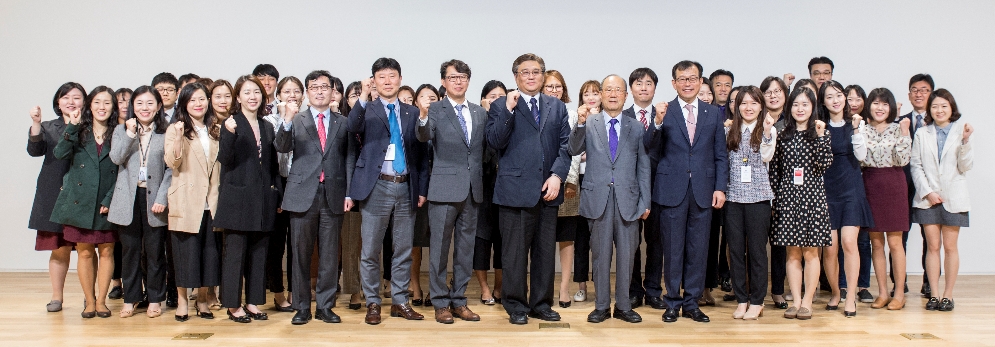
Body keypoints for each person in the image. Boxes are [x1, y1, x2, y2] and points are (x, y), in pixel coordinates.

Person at [486, 53, 571, 325]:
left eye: (536, 72)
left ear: (543, 76)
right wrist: (509, 110)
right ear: (516, 77)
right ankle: (516, 305)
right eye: (525, 72)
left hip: (548, 191)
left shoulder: (556, 107)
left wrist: (558, 175)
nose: (531, 76)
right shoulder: (501, 105)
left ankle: (541, 304)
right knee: (514, 254)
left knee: (545, 253)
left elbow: (565, 146)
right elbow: (495, 141)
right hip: (514, 191)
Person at [643, 60, 728, 323]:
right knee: (673, 249)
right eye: (682, 79)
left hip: (703, 190)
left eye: (693, 79)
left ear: (701, 82)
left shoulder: (712, 113)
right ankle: (672, 302)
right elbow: (648, 148)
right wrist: (656, 123)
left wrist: (720, 188)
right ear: (674, 83)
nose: (688, 83)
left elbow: (720, 155)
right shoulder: (663, 111)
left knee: (698, 249)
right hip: (670, 190)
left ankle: (692, 302)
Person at [348, 58, 429, 325]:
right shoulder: (366, 109)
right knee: (370, 249)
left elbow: (420, 153)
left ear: (400, 78)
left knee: (403, 249)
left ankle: (400, 301)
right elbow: (352, 128)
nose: (387, 81)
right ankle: (372, 302)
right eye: (381, 77)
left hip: (406, 185)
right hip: (377, 185)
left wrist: (421, 188)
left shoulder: (411, 112)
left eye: (392, 76)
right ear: (373, 81)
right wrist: (362, 96)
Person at [274, 70, 356, 325]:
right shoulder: (296, 119)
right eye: (314, 87)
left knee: (330, 254)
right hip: (302, 194)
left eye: (324, 87)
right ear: (307, 93)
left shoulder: (343, 122)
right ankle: (301, 307)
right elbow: (282, 146)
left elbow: (350, 158)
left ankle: (325, 305)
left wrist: (350, 193)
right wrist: (286, 121)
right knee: (300, 253)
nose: (319, 91)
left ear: (333, 92)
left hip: (333, 194)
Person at [569, 75, 650, 324]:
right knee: (600, 256)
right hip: (598, 199)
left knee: (627, 257)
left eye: (618, 90)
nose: (613, 94)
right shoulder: (589, 122)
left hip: (628, 200)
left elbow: (643, 166)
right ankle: (601, 306)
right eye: (608, 90)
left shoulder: (635, 126)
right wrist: (580, 124)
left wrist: (645, 201)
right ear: (601, 95)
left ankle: (624, 306)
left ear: (626, 96)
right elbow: (573, 148)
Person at [416, 59, 486, 324]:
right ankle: (440, 302)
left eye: (463, 76)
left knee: (465, 249)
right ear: (443, 82)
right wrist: (422, 116)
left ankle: (459, 300)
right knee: (439, 250)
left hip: (473, 189)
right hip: (444, 188)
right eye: (453, 77)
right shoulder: (435, 109)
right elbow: (423, 137)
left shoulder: (480, 112)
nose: (458, 81)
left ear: (468, 80)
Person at [215, 75, 282, 323]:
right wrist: (229, 134)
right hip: (237, 199)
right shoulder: (231, 123)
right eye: (246, 92)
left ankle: (253, 302)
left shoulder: (267, 126)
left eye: (256, 92)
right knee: (235, 254)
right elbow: (225, 159)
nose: (252, 97)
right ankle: (233, 305)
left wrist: (277, 195)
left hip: (263, 199)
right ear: (238, 97)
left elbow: (272, 165)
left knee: (259, 253)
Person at [49, 85, 120, 319]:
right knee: (85, 253)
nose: (102, 107)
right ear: (90, 105)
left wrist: (111, 198)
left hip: (106, 200)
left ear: (114, 107)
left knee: (107, 251)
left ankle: (102, 301)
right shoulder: (79, 130)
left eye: (107, 103)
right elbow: (59, 153)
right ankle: (89, 301)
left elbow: (123, 170)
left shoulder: (119, 132)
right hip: (79, 201)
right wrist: (72, 125)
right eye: (97, 102)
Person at [107, 86, 171, 319]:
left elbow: (172, 169)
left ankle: (155, 298)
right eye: (140, 103)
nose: (145, 108)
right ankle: (131, 298)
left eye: (150, 103)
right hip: (128, 199)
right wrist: (130, 134)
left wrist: (162, 197)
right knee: (129, 252)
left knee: (155, 253)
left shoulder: (167, 132)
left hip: (154, 200)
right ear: (132, 106)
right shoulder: (120, 130)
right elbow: (116, 158)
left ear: (158, 107)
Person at [770, 87, 832, 320]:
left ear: (813, 107)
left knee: (811, 253)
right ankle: (795, 301)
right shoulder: (783, 133)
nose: (800, 108)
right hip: (787, 197)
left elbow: (824, 164)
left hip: (813, 197)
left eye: (805, 104)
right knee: (792, 253)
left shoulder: (821, 132)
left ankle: (808, 300)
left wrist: (820, 137)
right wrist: (775, 199)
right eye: (796, 104)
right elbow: (775, 170)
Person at [163, 82, 222, 321]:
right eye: (192, 100)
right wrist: (178, 137)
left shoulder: (216, 127)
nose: (198, 104)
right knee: (185, 255)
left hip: (213, 200)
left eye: (202, 99)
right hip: (187, 200)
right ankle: (181, 301)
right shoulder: (176, 129)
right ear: (184, 104)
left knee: (210, 254)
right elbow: (172, 162)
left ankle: (203, 300)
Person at [911, 89, 973, 312]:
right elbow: (916, 166)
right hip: (928, 199)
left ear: (951, 108)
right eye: (935, 106)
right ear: (930, 109)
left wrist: (966, 142)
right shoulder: (922, 133)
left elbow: (965, 166)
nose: (939, 110)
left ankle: (948, 295)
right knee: (933, 247)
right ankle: (934, 294)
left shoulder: (960, 131)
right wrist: (927, 192)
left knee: (950, 247)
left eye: (944, 106)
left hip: (954, 197)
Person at [818, 81, 874, 317]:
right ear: (823, 102)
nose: (835, 100)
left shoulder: (857, 124)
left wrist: (857, 130)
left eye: (839, 95)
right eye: (829, 97)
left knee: (849, 243)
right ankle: (835, 292)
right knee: (829, 249)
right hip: (826, 190)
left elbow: (862, 156)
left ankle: (851, 296)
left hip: (851, 189)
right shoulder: (818, 126)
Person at [28, 82, 85, 313]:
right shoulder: (49, 126)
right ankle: (57, 297)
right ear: (58, 102)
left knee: (86, 249)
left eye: (77, 97)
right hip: (54, 191)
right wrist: (35, 123)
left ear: (85, 102)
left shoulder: (91, 126)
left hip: (83, 193)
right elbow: (34, 150)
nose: (71, 102)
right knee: (59, 248)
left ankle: (89, 298)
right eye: (65, 97)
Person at [723, 86, 776, 320]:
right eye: (743, 103)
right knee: (735, 251)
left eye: (753, 103)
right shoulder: (729, 130)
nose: (748, 107)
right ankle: (741, 299)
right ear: (736, 107)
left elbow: (767, 156)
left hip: (759, 198)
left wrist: (766, 132)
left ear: (761, 106)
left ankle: (757, 300)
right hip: (733, 197)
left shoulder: (768, 130)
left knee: (756, 252)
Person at [860, 88, 912, 311]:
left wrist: (905, 134)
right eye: (875, 103)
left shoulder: (898, 128)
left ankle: (899, 292)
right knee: (876, 243)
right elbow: (860, 159)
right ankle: (882, 292)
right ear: (869, 106)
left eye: (884, 104)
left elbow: (902, 158)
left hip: (894, 183)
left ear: (890, 107)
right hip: (870, 183)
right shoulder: (862, 129)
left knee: (895, 242)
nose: (879, 108)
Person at [262, 76, 304, 313]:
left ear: (303, 95)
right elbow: (271, 158)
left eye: (296, 91)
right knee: (276, 246)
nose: (292, 95)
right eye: (287, 91)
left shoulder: (308, 119)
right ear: (278, 95)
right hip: (277, 185)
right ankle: (278, 293)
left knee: (298, 244)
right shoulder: (268, 121)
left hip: (300, 186)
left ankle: (295, 292)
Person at [624, 68, 664, 310]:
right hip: (630, 187)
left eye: (648, 83)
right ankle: (633, 290)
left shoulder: (665, 115)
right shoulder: (623, 115)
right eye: (639, 84)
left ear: (655, 88)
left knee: (656, 242)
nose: (643, 88)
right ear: (631, 89)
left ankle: (653, 291)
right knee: (632, 242)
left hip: (659, 186)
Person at [542, 70, 581, 308]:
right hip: (541, 185)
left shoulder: (572, 113)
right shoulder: (535, 111)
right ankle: (543, 289)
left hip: (568, 184)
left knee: (566, 239)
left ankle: (564, 289)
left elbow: (573, 152)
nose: (554, 90)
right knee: (543, 240)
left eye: (558, 86)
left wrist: (570, 181)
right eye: (550, 86)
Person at [563, 80, 600, 304]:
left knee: (599, 239)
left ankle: (600, 287)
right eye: (587, 94)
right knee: (581, 237)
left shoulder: (609, 119)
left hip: (600, 180)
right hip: (579, 180)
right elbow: (572, 147)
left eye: (595, 93)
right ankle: (581, 286)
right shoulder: (576, 117)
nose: (591, 97)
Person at [899, 73, 935, 298]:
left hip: (928, 187)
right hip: (902, 185)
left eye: (924, 90)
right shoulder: (899, 121)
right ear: (909, 94)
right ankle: (899, 283)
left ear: (932, 94)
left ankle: (930, 283)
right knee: (899, 236)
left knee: (930, 238)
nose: (919, 94)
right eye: (915, 89)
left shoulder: (939, 122)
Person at [473, 80, 507, 306]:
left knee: (503, 242)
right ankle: (484, 288)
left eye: (500, 97)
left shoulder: (511, 120)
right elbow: (480, 155)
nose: (496, 100)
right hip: (481, 189)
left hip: (505, 190)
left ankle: (499, 287)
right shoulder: (477, 120)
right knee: (481, 242)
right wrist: (486, 118)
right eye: (491, 96)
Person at [408, 83, 440, 307]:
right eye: (423, 96)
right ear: (416, 101)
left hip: (441, 189)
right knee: (415, 243)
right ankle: (415, 286)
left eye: (433, 97)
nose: (428, 100)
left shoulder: (445, 122)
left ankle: (436, 290)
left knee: (439, 244)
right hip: (419, 189)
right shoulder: (411, 123)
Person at [843, 84, 875, 304]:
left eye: (858, 98)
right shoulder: (840, 124)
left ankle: (863, 285)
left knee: (862, 241)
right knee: (843, 242)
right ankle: (843, 285)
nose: (853, 103)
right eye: (849, 98)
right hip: (845, 185)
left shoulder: (867, 124)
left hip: (868, 184)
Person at [760, 76, 790, 309]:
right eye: (768, 92)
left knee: (780, 244)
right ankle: (754, 291)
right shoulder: (756, 120)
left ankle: (778, 291)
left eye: (778, 91)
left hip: (786, 189)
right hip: (759, 188)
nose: (773, 95)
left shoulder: (792, 122)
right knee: (757, 244)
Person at [339, 81, 366, 310]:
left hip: (377, 191)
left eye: (363, 93)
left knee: (372, 245)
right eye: (353, 95)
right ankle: (354, 291)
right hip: (351, 192)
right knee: (350, 245)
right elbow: (347, 160)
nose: (358, 98)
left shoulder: (378, 119)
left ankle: (371, 288)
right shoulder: (345, 124)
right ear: (347, 100)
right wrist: (348, 191)